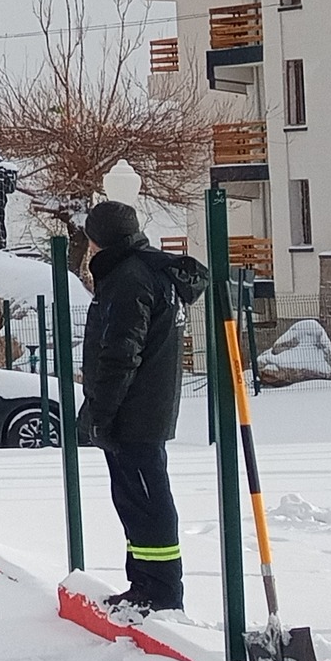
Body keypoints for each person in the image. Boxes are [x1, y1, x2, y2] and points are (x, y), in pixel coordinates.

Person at [76, 199, 208, 622]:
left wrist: (101, 411)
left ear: (101, 239)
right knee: (134, 499)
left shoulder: (130, 278)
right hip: (144, 407)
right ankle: (145, 583)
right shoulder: (148, 272)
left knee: (146, 500)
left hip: (134, 412)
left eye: (91, 239)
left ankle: (161, 590)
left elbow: (120, 352)